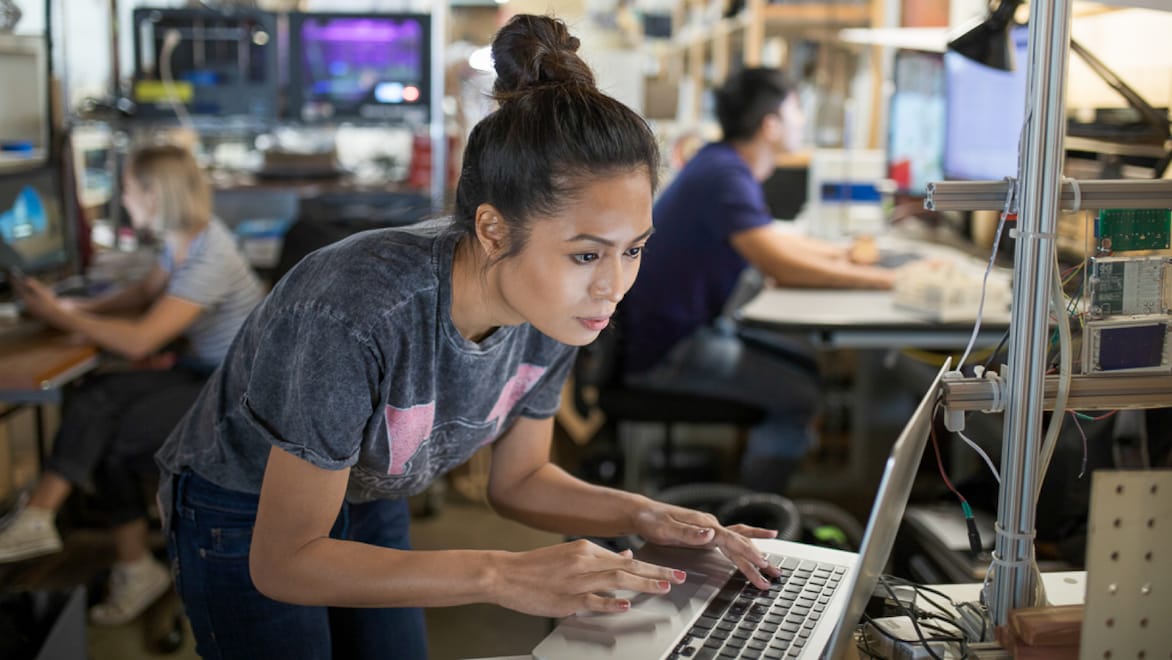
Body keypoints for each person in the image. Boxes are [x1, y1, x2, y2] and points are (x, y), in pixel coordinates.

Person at [153, 15, 783, 660]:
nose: (614, 286)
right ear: (492, 230)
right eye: (589, 255)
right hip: (244, 507)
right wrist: (503, 574)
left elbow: (520, 478)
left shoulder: (556, 308)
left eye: (634, 251)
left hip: (367, 489)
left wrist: (640, 515)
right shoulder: (357, 309)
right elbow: (285, 561)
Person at [0, 144, 265, 626]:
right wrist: (81, 310)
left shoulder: (210, 255)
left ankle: (111, 554)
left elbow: (142, 339)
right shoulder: (184, 237)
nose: (124, 201)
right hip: (204, 372)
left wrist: (57, 314)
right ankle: (49, 522)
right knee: (93, 397)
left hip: (236, 394)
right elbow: (146, 292)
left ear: (153, 193)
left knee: (112, 434)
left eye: (127, 190)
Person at [619, 67, 906, 496]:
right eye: (796, 110)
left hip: (669, 334)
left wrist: (844, 257)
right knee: (800, 394)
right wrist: (886, 282)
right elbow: (781, 265)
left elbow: (771, 240)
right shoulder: (726, 176)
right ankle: (757, 520)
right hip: (666, 350)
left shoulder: (720, 162)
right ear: (770, 125)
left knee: (806, 366)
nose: (802, 121)